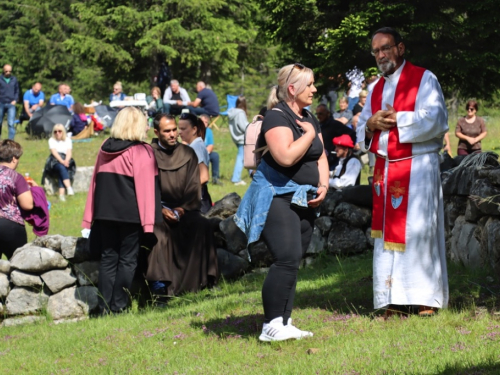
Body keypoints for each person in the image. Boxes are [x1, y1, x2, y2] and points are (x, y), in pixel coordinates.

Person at [356, 27, 449, 317]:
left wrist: (399, 118)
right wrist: (371, 124)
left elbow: (436, 120)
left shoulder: (424, 79)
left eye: (386, 48)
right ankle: (392, 300)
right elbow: (361, 130)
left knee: (419, 232)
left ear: (401, 48)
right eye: (376, 51)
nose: (381, 55)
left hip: (418, 168)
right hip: (386, 169)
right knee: (387, 239)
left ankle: (425, 300)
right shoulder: (375, 89)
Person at [234, 63, 329, 341]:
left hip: (305, 197)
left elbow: (320, 157)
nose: (314, 89)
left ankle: (285, 322)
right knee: (285, 258)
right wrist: (309, 134)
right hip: (276, 196)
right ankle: (270, 325)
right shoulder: (276, 117)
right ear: (292, 89)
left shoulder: (309, 116)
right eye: (309, 84)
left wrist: (323, 184)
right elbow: (286, 156)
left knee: (294, 259)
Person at [82, 107, 160, 315]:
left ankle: (104, 306)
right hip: (130, 214)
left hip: (105, 213)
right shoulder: (142, 151)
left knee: (108, 258)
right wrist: (148, 224)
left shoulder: (104, 147)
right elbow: (146, 190)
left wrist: (88, 218)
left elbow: (95, 184)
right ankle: (118, 305)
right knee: (127, 260)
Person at [146, 114, 218, 298]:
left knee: (203, 225)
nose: (172, 134)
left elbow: (194, 185)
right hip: (157, 209)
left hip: (183, 208)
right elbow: (145, 186)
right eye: (167, 131)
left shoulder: (187, 153)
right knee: (158, 234)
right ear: (156, 132)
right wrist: (159, 209)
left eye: (174, 130)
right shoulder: (148, 154)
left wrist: (182, 208)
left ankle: (205, 282)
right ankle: (160, 288)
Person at [0, 140, 36, 259]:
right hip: (9, 225)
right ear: (14, 158)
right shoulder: (15, 177)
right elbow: (27, 205)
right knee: (20, 265)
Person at [178, 112, 212, 214]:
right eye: (179, 128)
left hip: (198, 202)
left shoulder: (196, 147)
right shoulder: (194, 146)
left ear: (194, 129)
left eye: (183, 129)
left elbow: (204, 177)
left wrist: (185, 191)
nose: (180, 132)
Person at [315, 103, 356, 170]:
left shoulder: (335, 125)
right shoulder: (319, 125)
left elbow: (352, 134)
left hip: (333, 160)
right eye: (317, 114)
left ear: (327, 113)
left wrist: (346, 148)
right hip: (321, 158)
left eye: (321, 114)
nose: (318, 116)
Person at [48, 124, 75, 201]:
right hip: (54, 161)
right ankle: (69, 187)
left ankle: (61, 195)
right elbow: (54, 153)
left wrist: (66, 160)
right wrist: (62, 161)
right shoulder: (51, 140)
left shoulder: (68, 140)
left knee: (62, 170)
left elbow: (69, 152)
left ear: (63, 132)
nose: (57, 133)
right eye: (55, 131)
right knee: (61, 167)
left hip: (66, 159)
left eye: (59, 131)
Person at [228, 96, 249, 186]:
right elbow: (244, 126)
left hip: (236, 138)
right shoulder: (240, 113)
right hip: (241, 138)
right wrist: (252, 126)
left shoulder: (232, 112)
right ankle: (236, 179)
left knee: (245, 157)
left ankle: (252, 173)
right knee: (241, 158)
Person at [200, 113, 221, 185]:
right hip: (195, 152)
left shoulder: (208, 131)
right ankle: (203, 179)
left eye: (206, 122)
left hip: (205, 151)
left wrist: (206, 152)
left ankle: (215, 178)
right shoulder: (194, 130)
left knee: (215, 156)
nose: (204, 124)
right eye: (203, 122)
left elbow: (211, 145)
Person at [0, 64, 19, 140]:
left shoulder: (14, 79)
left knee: (11, 123)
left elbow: (17, 90)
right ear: (3, 70)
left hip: (11, 104)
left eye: (9, 71)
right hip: (1, 103)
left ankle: (10, 141)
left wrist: (15, 100)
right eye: (6, 71)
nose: (8, 73)